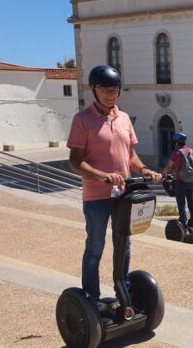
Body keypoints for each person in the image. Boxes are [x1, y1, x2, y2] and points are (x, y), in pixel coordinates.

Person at [67, 65, 162, 303]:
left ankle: (123, 291)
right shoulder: (82, 120)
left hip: (123, 195)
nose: (110, 94)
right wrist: (102, 176)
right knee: (95, 248)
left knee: (124, 246)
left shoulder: (124, 119)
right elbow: (75, 162)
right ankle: (91, 297)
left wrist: (145, 170)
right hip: (96, 196)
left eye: (115, 90)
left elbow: (130, 156)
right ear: (93, 89)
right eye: (105, 90)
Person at [161, 133, 193, 233]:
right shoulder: (192, 151)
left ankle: (183, 223)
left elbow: (169, 166)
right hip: (191, 181)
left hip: (180, 182)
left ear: (177, 143)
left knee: (181, 204)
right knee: (192, 203)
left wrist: (163, 174)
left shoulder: (176, 153)